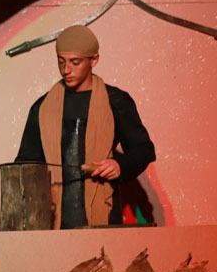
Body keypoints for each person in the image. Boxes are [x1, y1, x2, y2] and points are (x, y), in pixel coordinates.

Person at [15, 24, 155, 229]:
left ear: (94, 60)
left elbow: (144, 150)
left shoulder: (116, 101)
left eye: (75, 62)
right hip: (51, 220)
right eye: (61, 61)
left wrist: (120, 165)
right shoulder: (42, 107)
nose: (66, 70)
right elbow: (25, 165)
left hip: (103, 216)